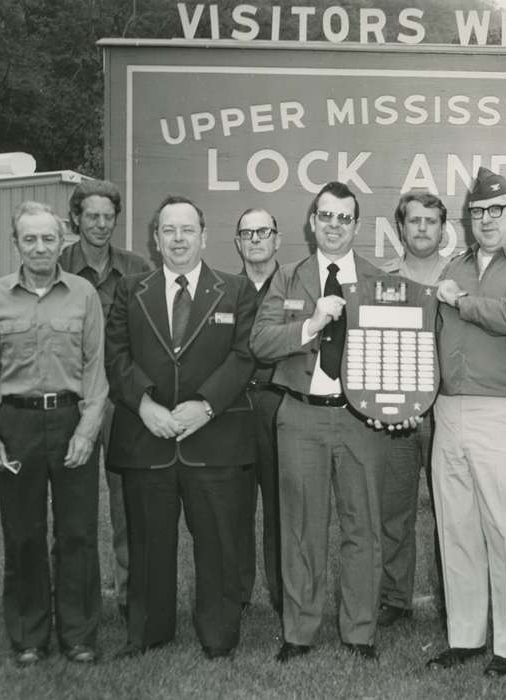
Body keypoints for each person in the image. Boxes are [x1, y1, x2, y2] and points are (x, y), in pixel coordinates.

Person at [105, 195, 257, 660]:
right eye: (168, 230)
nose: (177, 239)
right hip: (146, 437)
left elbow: (245, 355)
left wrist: (206, 406)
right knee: (148, 542)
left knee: (218, 543)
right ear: (156, 238)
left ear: (204, 236)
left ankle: (217, 633)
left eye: (187, 230)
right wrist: (144, 404)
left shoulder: (235, 290)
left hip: (214, 439)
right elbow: (116, 355)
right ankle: (149, 630)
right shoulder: (131, 290)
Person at [249, 181, 390, 662]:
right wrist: (311, 323)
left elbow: (394, 354)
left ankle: (360, 632)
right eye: (325, 216)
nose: (334, 226)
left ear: (356, 225)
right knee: (301, 526)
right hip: (301, 417)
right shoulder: (288, 278)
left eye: (344, 218)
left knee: (362, 526)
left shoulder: (377, 279)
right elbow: (261, 343)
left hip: (360, 419)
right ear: (312, 222)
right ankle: (300, 631)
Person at [425, 167, 506, 678]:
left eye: (496, 211)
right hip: (448, 409)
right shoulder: (453, 265)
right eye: (477, 212)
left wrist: (461, 301)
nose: (486, 220)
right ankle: (464, 637)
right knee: (455, 529)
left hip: (503, 411)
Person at [0, 201, 107, 665]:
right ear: (16, 244)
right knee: (23, 532)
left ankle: (78, 633)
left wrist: (88, 431)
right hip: (17, 424)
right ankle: (29, 633)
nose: (40, 247)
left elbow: (95, 369)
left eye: (49, 238)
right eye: (30, 238)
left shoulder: (84, 294)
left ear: (62, 241)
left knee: (78, 533)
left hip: (71, 421)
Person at [59, 179, 152, 623]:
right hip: (68, 405)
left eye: (108, 216)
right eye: (91, 215)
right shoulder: (55, 266)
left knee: (127, 503)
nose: (100, 224)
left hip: (120, 405)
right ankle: (75, 599)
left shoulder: (137, 269)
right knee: (72, 507)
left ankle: (133, 595)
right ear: (75, 216)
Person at [376, 191, 449, 626]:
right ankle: (394, 598)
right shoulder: (380, 277)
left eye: (430, 221)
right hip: (396, 412)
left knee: (451, 513)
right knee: (393, 510)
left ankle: (453, 597)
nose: (422, 228)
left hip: (447, 411)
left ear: (443, 228)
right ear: (400, 228)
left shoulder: (461, 277)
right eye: (414, 221)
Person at [233, 206, 284, 618]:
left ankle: (285, 594)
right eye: (247, 233)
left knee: (282, 506)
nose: (255, 239)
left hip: (279, 402)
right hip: (234, 406)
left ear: (276, 239)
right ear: (237, 242)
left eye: (262, 232)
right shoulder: (224, 289)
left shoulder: (296, 285)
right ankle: (237, 593)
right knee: (235, 505)